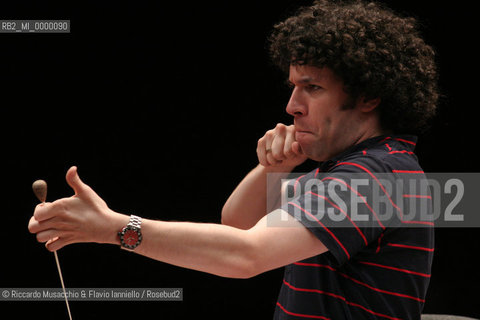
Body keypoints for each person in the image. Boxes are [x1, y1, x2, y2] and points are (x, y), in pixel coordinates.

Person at [28, 0, 438, 319]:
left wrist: (117, 229)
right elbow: (238, 223)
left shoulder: (376, 177)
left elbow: (245, 254)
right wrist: (272, 168)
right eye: (293, 86)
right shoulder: (360, 167)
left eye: (312, 88)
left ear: (369, 97)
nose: (292, 105)